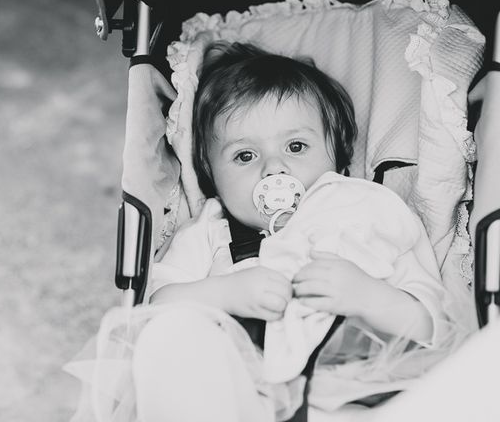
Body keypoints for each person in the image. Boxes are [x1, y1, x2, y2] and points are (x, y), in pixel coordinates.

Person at [65, 42, 451, 422]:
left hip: (351, 397)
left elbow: (435, 324)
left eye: (296, 146)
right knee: (167, 337)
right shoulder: (211, 231)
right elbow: (153, 311)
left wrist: (369, 296)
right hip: (237, 401)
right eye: (244, 156)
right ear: (209, 173)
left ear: (338, 151)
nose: (273, 168)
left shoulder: (369, 209)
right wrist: (226, 292)